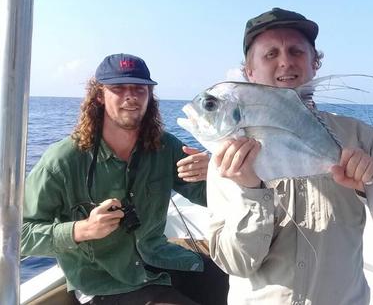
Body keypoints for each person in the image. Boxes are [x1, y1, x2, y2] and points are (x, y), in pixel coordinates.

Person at [204, 8, 373, 304]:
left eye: (296, 51)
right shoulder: (230, 155)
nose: (286, 61)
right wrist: (251, 192)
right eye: (270, 54)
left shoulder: (359, 137)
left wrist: (370, 185)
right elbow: (235, 264)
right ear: (249, 72)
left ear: (315, 63)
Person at [21, 53, 228, 305]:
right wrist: (82, 229)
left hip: (160, 260)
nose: (131, 96)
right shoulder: (63, 160)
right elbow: (18, 236)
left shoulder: (165, 147)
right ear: (99, 96)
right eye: (118, 88)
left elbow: (210, 198)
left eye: (140, 89)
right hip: (105, 282)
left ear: (149, 96)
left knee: (241, 287)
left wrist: (217, 175)